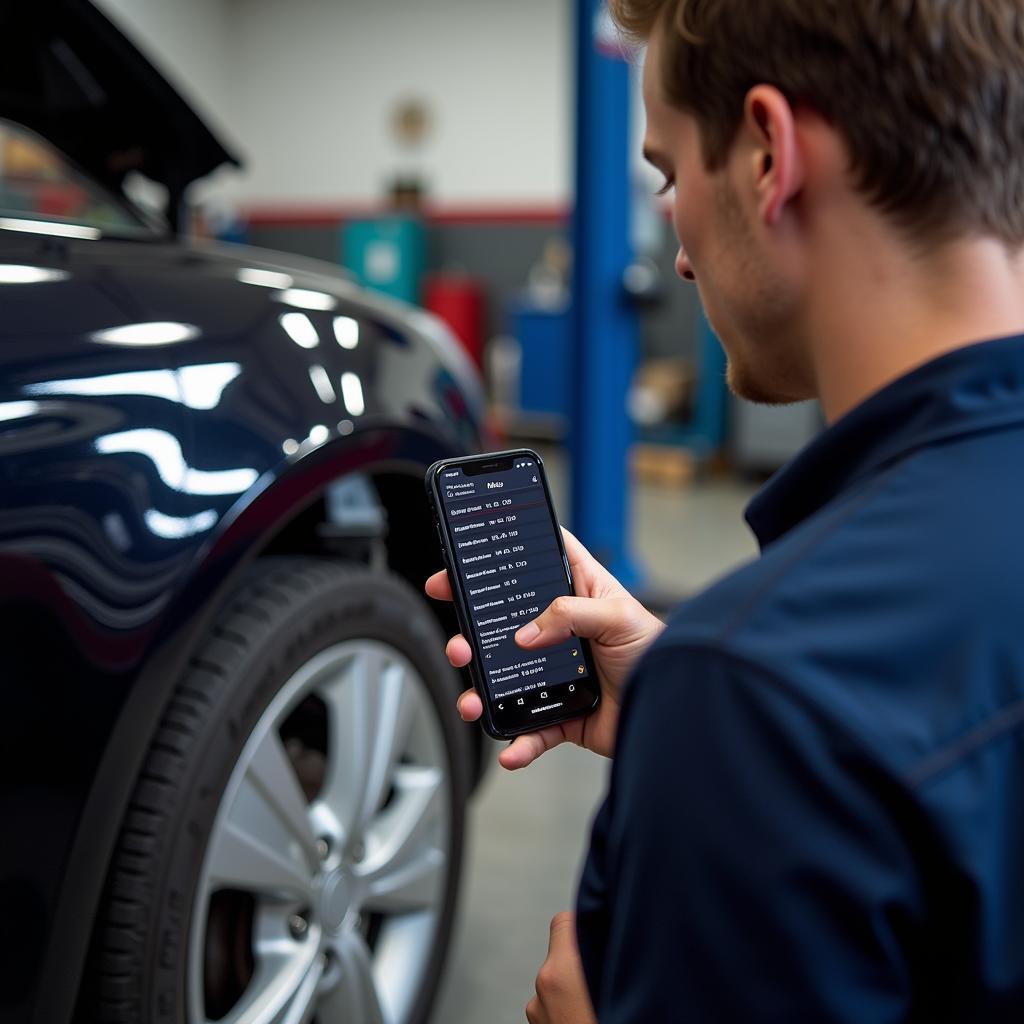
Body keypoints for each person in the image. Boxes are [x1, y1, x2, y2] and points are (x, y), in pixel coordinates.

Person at [427, 1, 1024, 1019]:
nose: (682, 256)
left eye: (667, 176)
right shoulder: (762, 689)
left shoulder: (753, 689)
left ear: (764, 155)